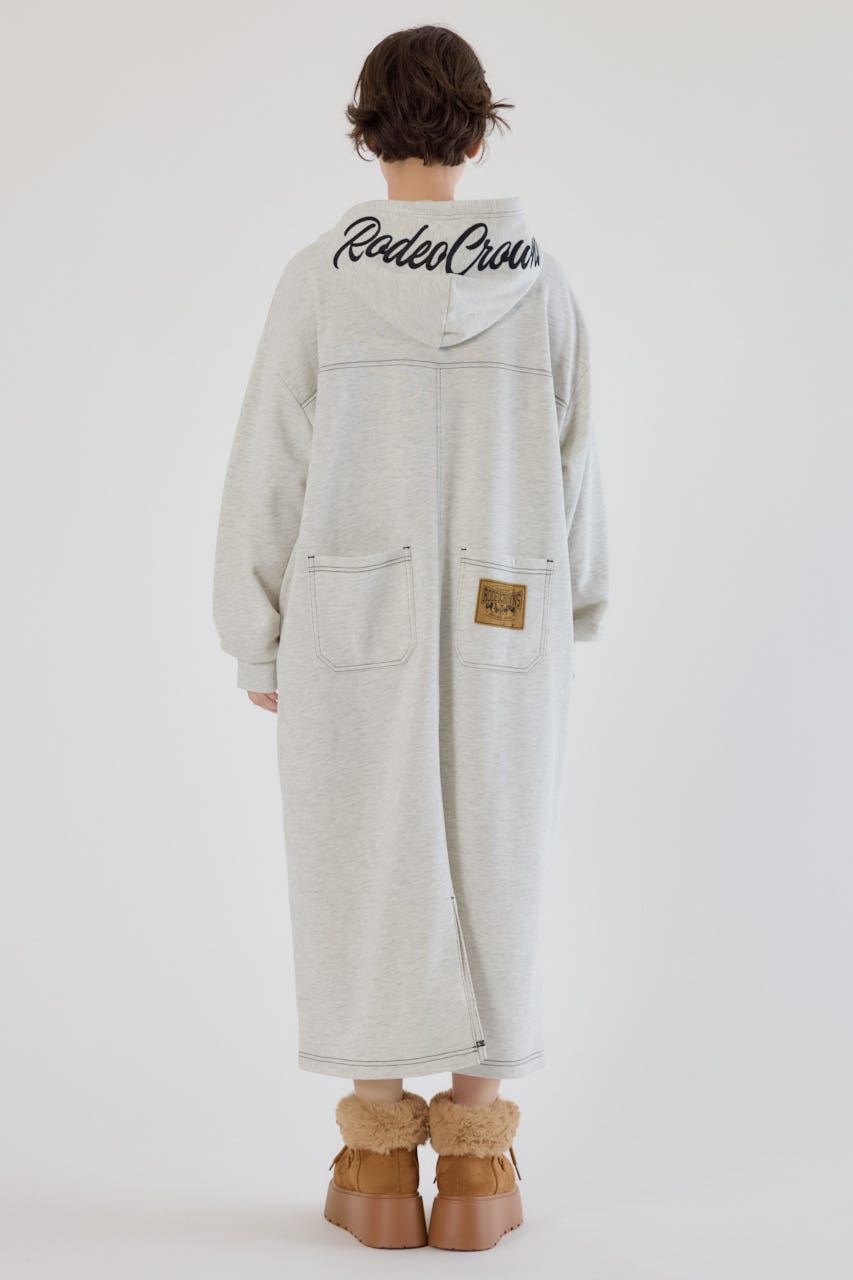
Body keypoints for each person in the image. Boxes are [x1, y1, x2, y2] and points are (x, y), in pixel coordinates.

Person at [212, 23, 609, 1251]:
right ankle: (479, 1166)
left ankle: (378, 1164)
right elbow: (577, 462)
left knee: (359, 860)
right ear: (478, 131)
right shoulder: (540, 282)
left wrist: (255, 630)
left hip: (346, 624)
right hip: (508, 618)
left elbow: (269, 462)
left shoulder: (321, 278)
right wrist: (577, 603)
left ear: (365, 131)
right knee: (500, 850)